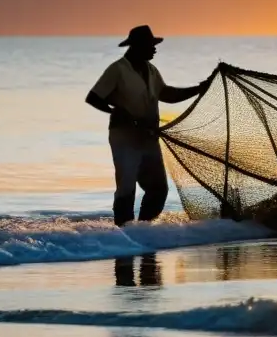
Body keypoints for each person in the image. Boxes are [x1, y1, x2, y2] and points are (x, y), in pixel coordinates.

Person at [86, 25, 212, 227]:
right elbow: (93, 97)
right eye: (150, 45)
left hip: (149, 137)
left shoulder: (151, 70)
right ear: (137, 46)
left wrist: (198, 89)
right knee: (127, 189)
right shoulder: (117, 69)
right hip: (124, 138)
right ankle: (124, 233)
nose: (154, 49)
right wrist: (116, 112)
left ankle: (143, 231)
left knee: (158, 189)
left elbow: (167, 95)